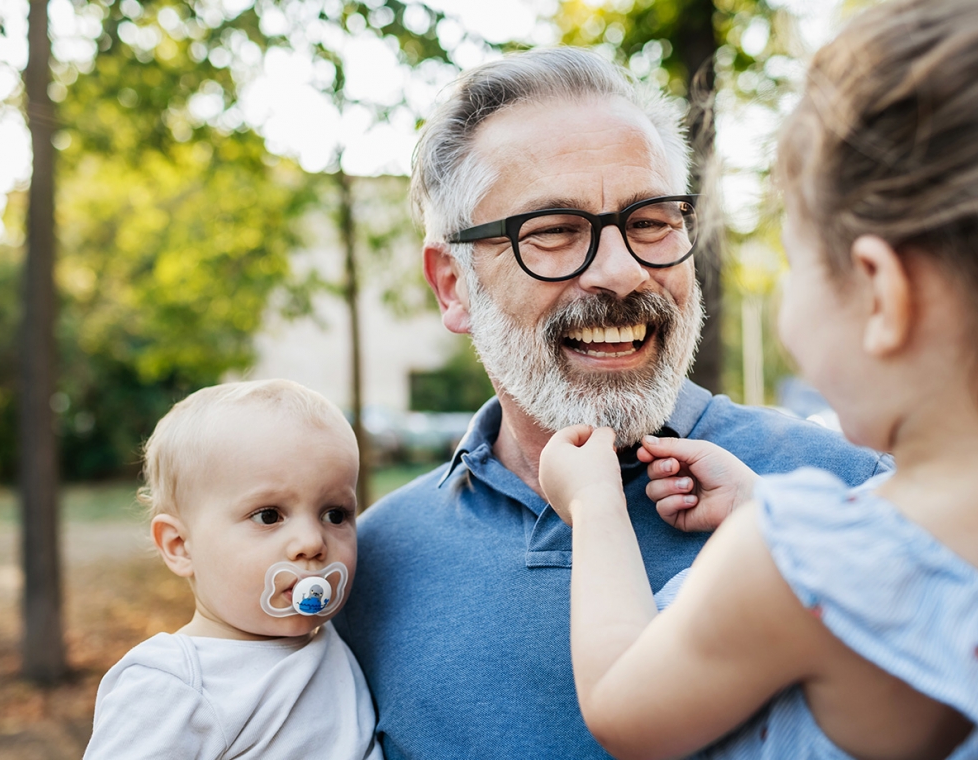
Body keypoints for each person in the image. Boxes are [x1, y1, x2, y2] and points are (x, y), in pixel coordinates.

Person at [539, 0, 978, 757]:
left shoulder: (788, 562)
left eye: (795, 264)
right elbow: (932, 576)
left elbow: (623, 704)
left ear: (881, 295)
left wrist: (595, 505)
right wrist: (766, 500)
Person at [333, 47, 890, 758]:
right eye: (555, 232)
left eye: (653, 222)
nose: (623, 272)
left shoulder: (851, 500)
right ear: (452, 285)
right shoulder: (373, 565)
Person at [83, 380, 381, 760]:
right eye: (269, 515)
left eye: (335, 514)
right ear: (180, 546)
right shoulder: (174, 685)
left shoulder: (335, 642)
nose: (311, 542)